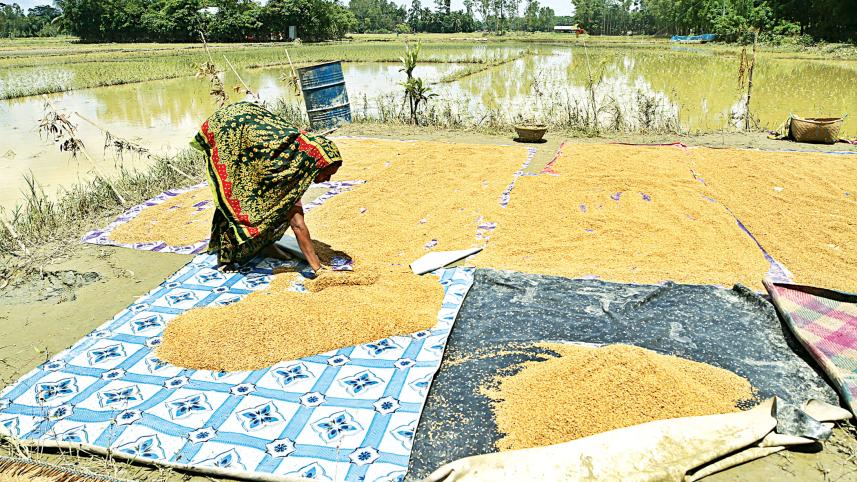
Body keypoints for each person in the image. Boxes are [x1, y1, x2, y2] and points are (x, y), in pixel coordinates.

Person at [191, 102, 342, 274]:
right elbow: (297, 223)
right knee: (236, 201)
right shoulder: (286, 168)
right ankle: (228, 257)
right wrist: (318, 268)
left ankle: (264, 245)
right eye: (327, 174)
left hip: (251, 131)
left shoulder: (300, 159)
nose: (327, 180)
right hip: (230, 128)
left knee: (274, 205)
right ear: (316, 165)